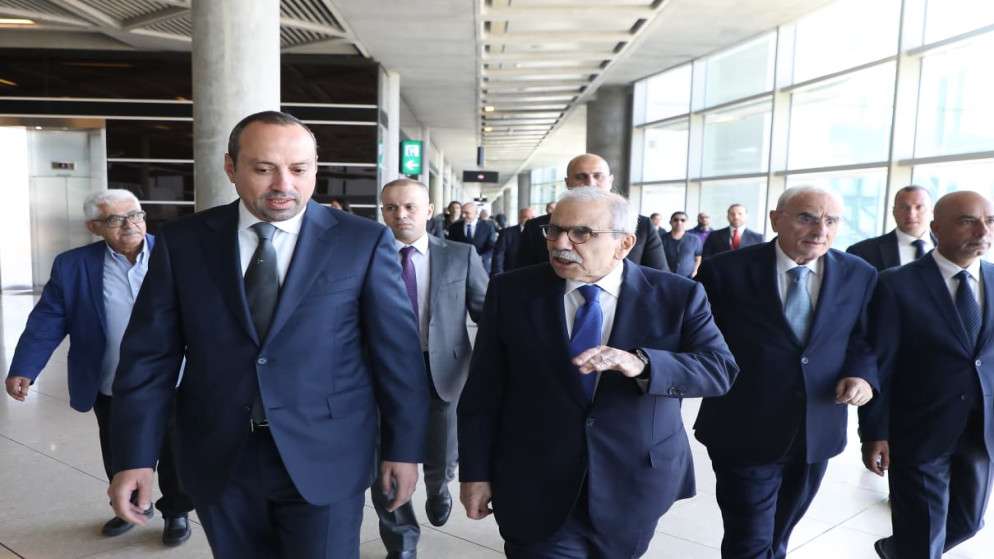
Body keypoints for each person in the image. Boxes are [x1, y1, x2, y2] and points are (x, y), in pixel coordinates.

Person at [106, 111, 431, 559]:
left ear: (315, 169)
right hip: (219, 455)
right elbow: (149, 356)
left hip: (328, 453)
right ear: (231, 167)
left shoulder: (362, 241)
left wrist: (404, 449)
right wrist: (135, 457)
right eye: (263, 169)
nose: (284, 184)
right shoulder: (185, 242)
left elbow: (397, 358)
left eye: (299, 169)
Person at [459, 187, 738, 558]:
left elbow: (719, 369)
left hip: (633, 481)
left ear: (624, 244)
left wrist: (643, 364)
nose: (560, 243)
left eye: (581, 233)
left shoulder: (677, 295)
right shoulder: (511, 292)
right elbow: (483, 390)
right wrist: (475, 473)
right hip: (534, 478)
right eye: (554, 230)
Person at [695, 186, 878, 559]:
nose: (820, 230)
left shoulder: (858, 273)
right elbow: (698, 338)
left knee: (779, 534)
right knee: (749, 538)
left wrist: (861, 375)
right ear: (776, 219)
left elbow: (863, 338)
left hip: (817, 427)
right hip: (743, 426)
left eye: (831, 221)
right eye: (807, 218)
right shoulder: (725, 270)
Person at [4, 190, 194, 547]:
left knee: (177, 451)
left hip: (174, 379)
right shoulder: (73, 265)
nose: (130, 225)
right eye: (115, 220)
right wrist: (24, 367)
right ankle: (130, 505)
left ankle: (176, 512)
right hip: (112, 382)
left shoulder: (178, 254)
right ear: (94, 227)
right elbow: (48, 319)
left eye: (135, 215)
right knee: (118, 449)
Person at [860, 191, 994, 559]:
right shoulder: (896, 284)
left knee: (968, 522)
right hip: (918, 430)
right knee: (923, 535)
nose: (982, 230)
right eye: (967, 221)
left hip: (981, 432)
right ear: (936, 228)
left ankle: (897, 549)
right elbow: (880, 362)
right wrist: (874, 432)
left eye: (989, 221)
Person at [376, 178, 488, 558]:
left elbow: (487, 312)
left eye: (409, 207)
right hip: (384, 370)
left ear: (428, 210)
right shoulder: (369, 256)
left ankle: (439, 487)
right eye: (391, 208)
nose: (400, 215)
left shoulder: (460, 255)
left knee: (441, 450)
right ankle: (401, 540)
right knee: (387, 455)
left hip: (444, 367)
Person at [516, 154, 668, 272]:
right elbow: (521, 279)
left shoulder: (641, 226)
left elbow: (658, 278)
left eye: (598, 176)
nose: (590, 183)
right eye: (580, 177)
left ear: (610, 181)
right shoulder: (536, 227)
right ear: (567, 183)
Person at [847, 185, 935, 271]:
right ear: (894, 212)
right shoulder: (862, 252)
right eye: (904, 207)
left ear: (932, 212)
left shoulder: (942, 247)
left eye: (919, 207)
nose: (911, 214)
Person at [448, 201, 497, 273]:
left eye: (467, 213)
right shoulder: (454, 227)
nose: (463, 215)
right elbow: (450, 245)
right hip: (459, 266)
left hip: (481, 266)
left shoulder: (488, 227)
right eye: (462, 212)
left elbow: (492, 247)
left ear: (476, 213)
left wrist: (481, 257)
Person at [492, 207, 535, 275]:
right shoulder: (507, 233)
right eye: (526, 217)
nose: (530, 220)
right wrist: (499, 275)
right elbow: (499, 255)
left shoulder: (538, 233)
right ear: (519, 218)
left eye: (532, 217)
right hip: (510, 273)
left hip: (532, 274)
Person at [660, 211, 703, 278]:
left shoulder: (695, 239)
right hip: (665, 276)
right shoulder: (661, 239)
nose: (679, 222)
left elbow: (698, 257)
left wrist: (695, 271)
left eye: (683, 220)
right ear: (670, 222)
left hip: (688, 278)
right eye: (675, 220)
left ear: (686, 223)